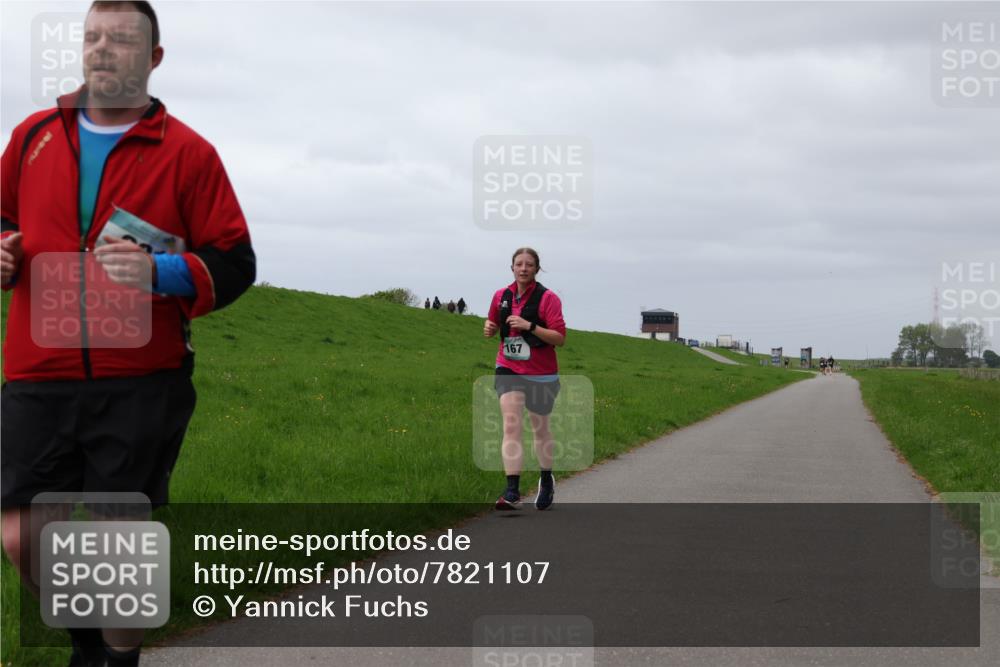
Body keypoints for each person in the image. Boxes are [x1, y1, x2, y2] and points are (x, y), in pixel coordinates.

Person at [1, 2, 255, 665]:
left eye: (122, 39)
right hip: (37, 373)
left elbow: (235, 262)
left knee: (120, 538)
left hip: (141, 380)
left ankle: (117, 659)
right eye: (93, 37)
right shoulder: (32, 137)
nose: (103, 49)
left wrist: (160, 269)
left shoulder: (190, 154)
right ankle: (90, 636)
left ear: (153, 58)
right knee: (22, 533)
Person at [483, 248, 566, 510]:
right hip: (508, 367)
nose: (523, 268)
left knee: (539, 428)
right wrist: (490, 327)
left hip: (541, 373)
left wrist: (530, 326)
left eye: (529, 265)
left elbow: (560, 338)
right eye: (518, 264)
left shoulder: (548, 298)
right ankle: (512, 491)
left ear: (536, 269)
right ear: (512, 268)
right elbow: (494, 322)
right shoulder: (501, 296)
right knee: (511, 424)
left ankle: (546, 478)